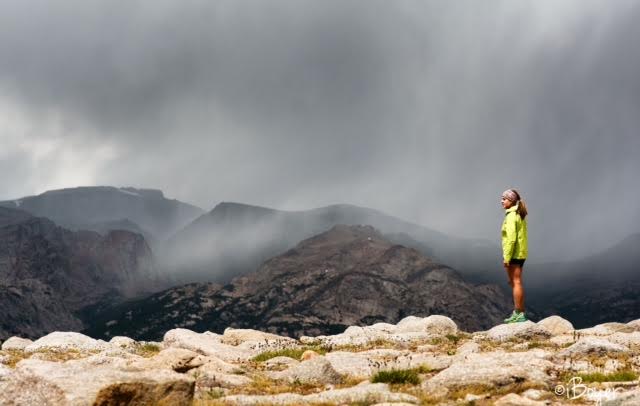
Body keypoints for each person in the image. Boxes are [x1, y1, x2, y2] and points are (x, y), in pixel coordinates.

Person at [501, 188, 528, 323]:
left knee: (515, 282)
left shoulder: (511, 216)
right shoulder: (519, 214)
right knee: (515, 282)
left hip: (514, 254)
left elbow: (511, 239)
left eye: (504, 199)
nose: (502, 201)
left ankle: (519, 313)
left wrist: (507, 258)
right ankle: (519, 312)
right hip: (520, 253)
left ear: (511, 201)